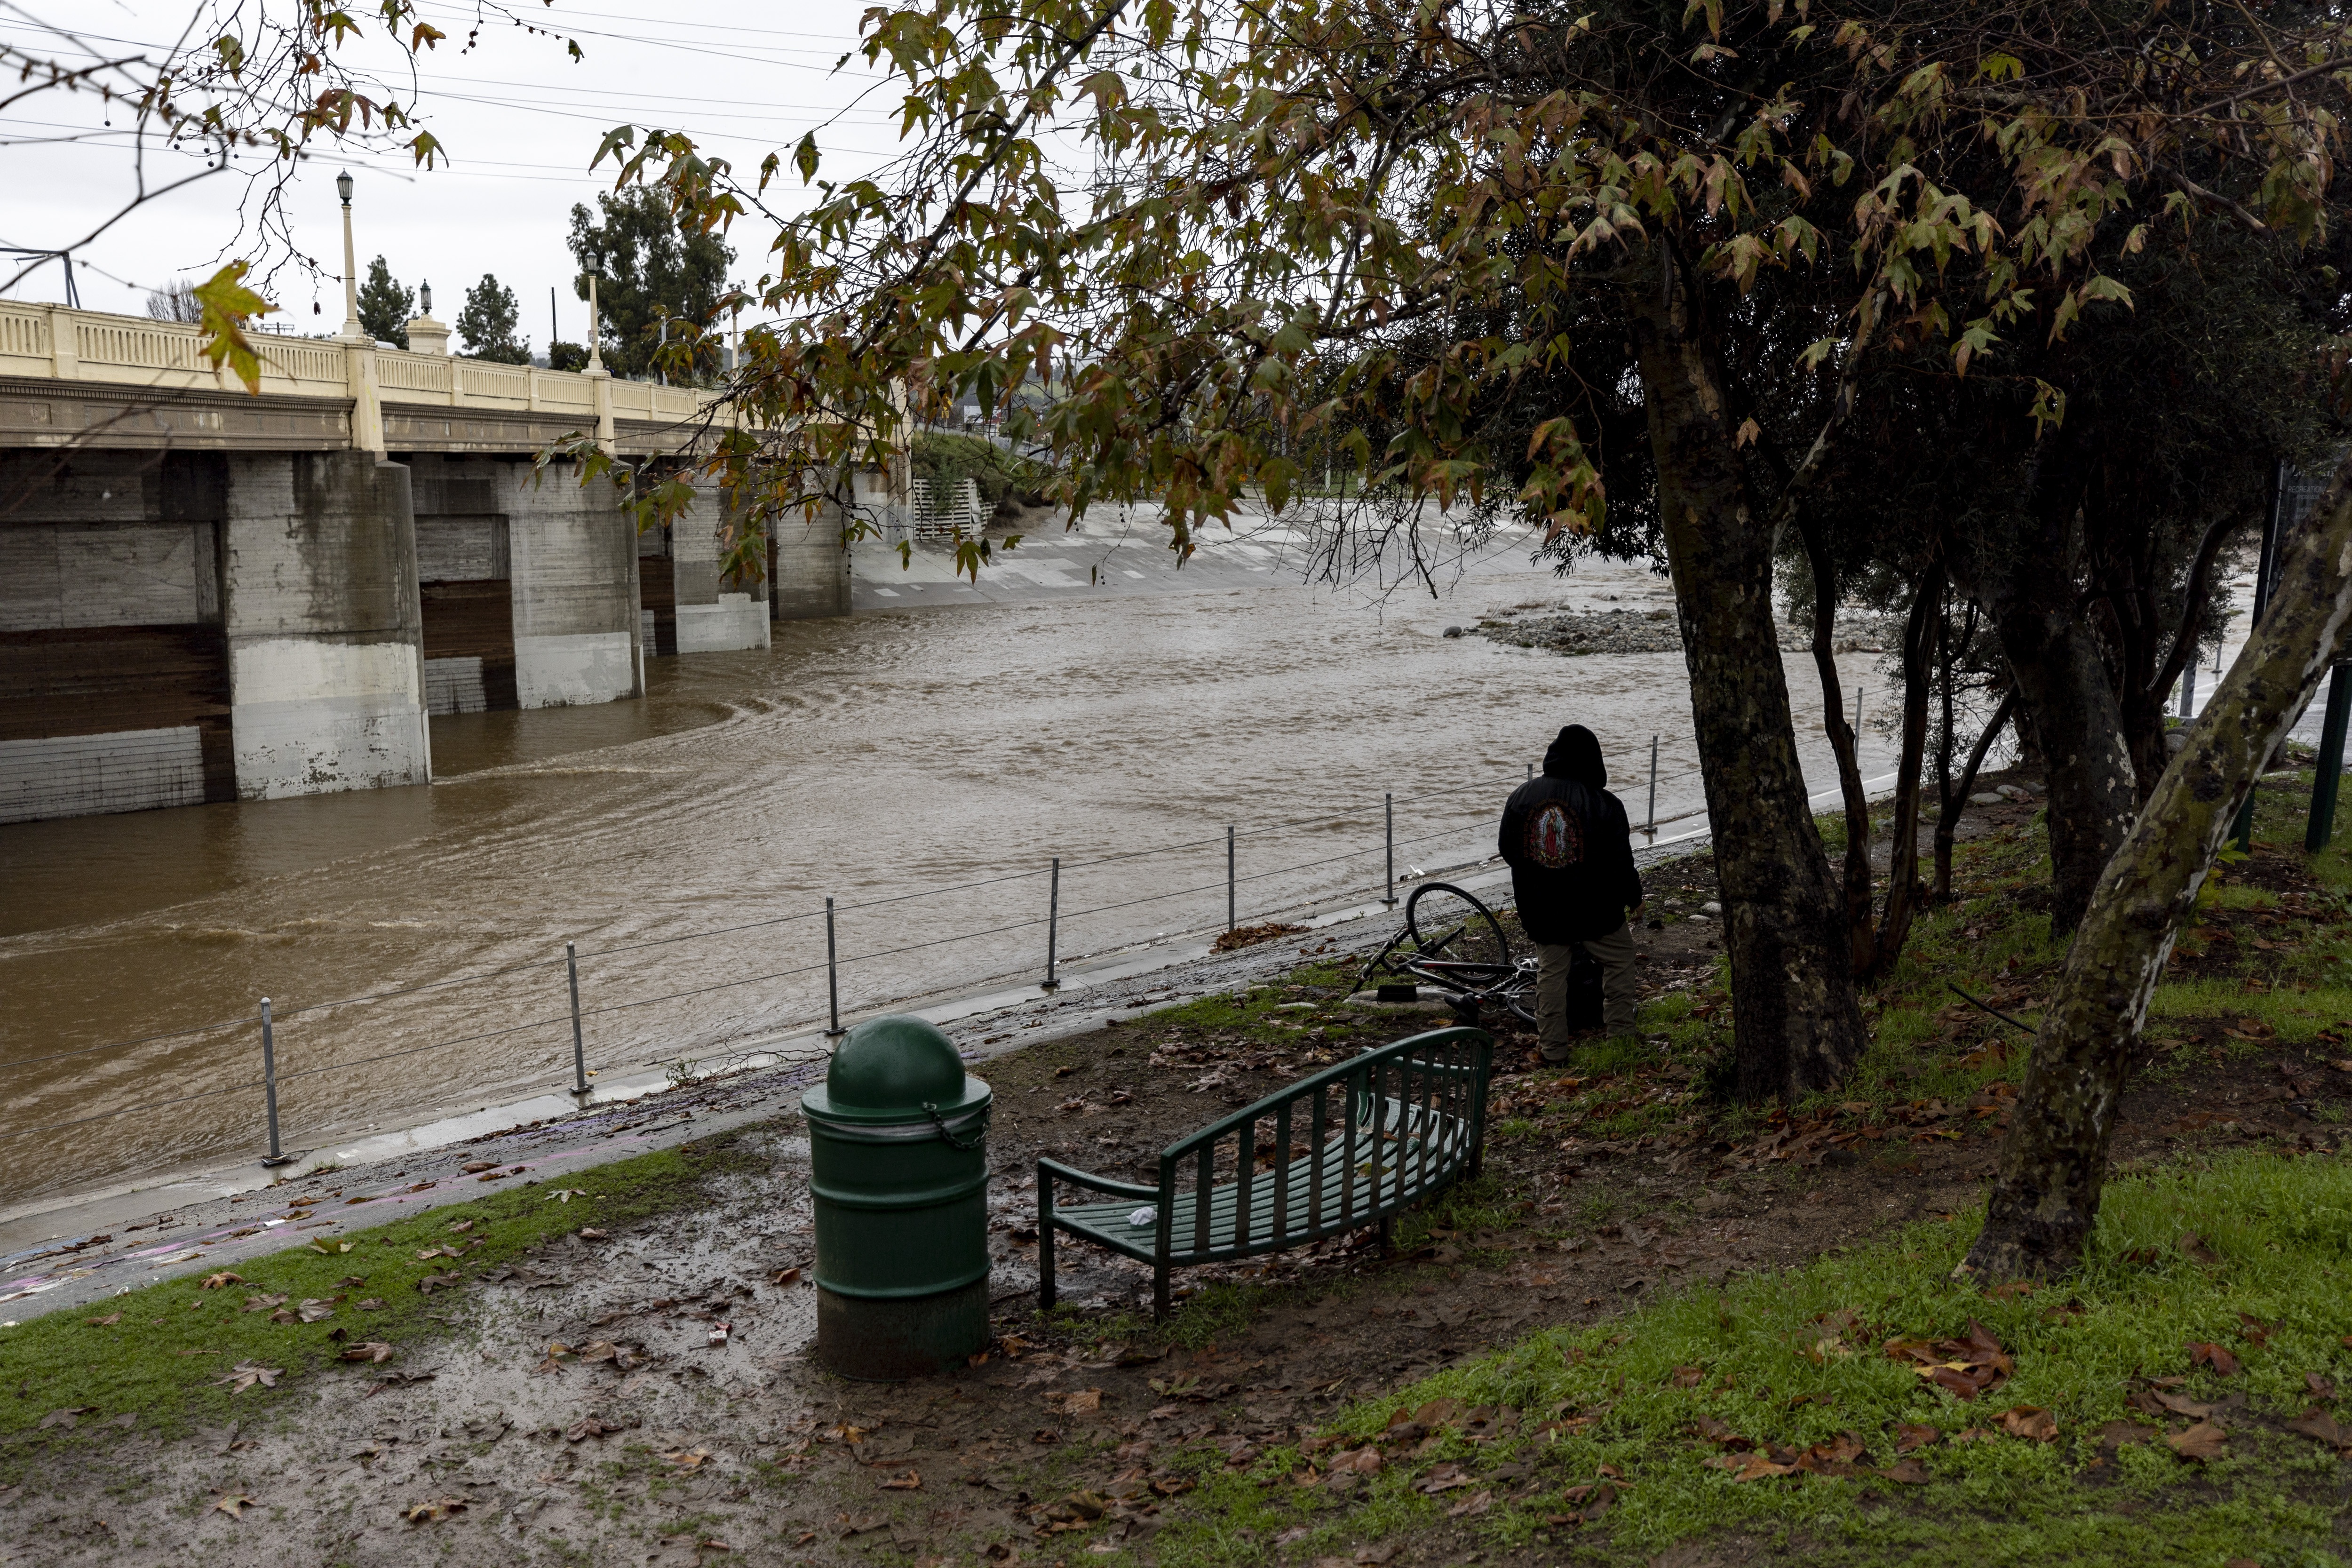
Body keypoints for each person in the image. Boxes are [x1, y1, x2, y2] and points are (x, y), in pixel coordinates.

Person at [1498, 725, 1644, 1062]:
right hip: (1597, 910)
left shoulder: (1522, 796)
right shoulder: (1606, 803)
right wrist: (1634, 898)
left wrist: (1541, 876)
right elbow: (1621, 861)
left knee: (1551, 973)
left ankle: (1553, 1051)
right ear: (1594, 760)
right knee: (1620, 960)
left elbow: (1509, 850)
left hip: (1544, 909)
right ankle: (1621, 1037)